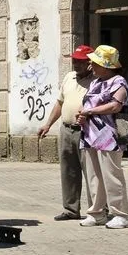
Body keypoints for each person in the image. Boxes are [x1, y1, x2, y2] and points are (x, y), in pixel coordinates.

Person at [76, 45, 128, 229]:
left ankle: (121, 215)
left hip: (109, 135)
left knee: (112, 175)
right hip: (90, 134)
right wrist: (82, 115)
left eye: (95, 62)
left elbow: (115, 106)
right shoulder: (95, 82)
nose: (91, 64)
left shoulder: (119, 82)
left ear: (107, 66)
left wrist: (89, 111)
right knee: (94, 177)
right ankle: (96, 212)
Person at [37, 45, 95, 221]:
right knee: (68, 170)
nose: (76, 64)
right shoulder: (69, 77)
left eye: (80, 61)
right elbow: (60, 103)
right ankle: (71, 209)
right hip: (67, 129)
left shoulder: (96, 81)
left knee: (91, 172)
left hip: (87, 131)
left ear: (90, 63)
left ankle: (97, 210)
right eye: (74, 60)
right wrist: (48, 124)